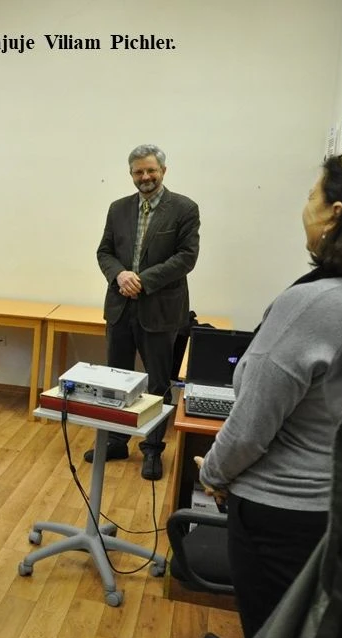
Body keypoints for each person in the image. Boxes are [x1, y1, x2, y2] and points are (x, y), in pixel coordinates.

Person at [197, 151, 342, 638]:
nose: (304, 206)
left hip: (281, 517)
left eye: (310, 196)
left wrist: (211, 473)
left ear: (335, 214)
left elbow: (250, 427)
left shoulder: (309, 305)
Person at [95, 144, 200, 480]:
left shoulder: (184, 208)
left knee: (157, 383)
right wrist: (119, 275)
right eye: (138, 171)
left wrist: (142, 280)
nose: (145, 177)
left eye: (151, 170)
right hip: (120, 307)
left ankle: (152, 449)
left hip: (160, 310)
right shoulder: (118, 209)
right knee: (116, 379)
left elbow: (186, 257)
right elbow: (105, 252)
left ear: (163, 171)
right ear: (131, 174)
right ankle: (116, 441)